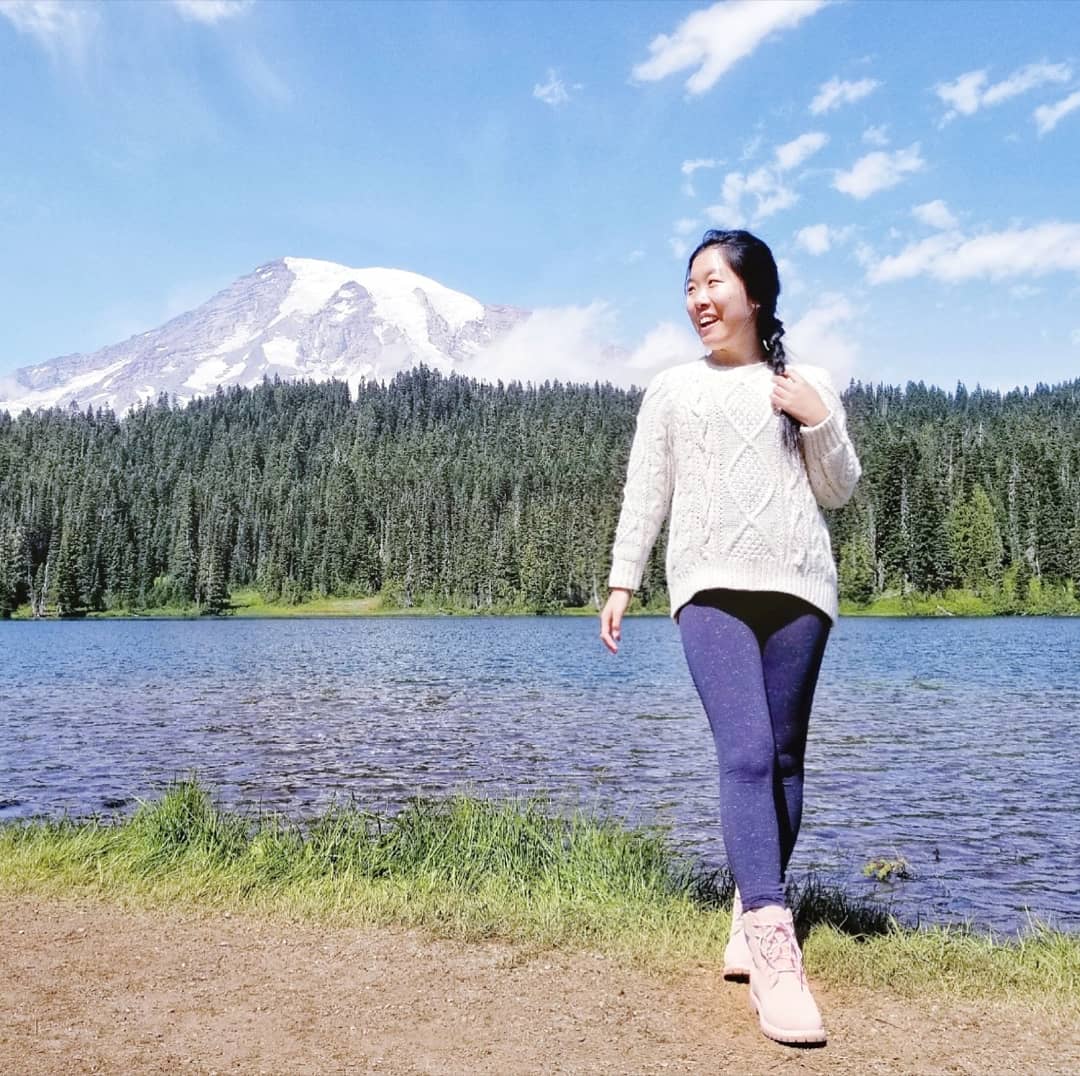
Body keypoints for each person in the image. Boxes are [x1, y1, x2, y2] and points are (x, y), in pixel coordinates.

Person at [599, 229, 861, 1047]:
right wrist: (622, 580)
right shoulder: (672, 391)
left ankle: (751, 907)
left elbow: (840, 491)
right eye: (689, 286)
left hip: (799, 590)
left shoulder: (803, 382)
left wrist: (817, 420)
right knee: (744, 751)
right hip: (707, 587)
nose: (698, 300)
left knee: (784, 758)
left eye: (713, 283)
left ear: (755, 295)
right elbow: (648, 490)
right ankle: (777, 951)